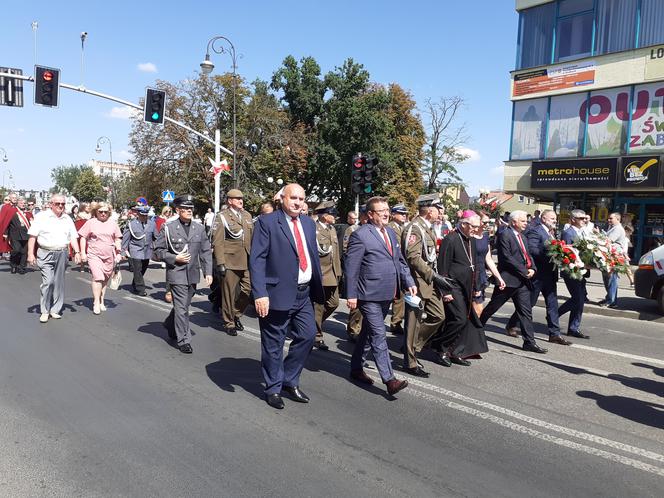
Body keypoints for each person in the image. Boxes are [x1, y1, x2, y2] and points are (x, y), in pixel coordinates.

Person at [250, 184, 324, 410]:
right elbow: (257, 259)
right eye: (293, 198)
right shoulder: (267, 222)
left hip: (303, 293)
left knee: (308, 335)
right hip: (276, 294)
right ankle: (273, 387)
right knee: (274, 343)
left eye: (301, 199)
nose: (298, 202)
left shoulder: (309, 224)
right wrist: (260, 293)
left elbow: (310, 255)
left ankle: (289, 380)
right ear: (282, 198)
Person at [345, 196, 416, 396]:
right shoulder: (361, 235)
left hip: (388, 292)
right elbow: (351, 268)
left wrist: (409, 281)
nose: (386, 213)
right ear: (370, 214)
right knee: (378, 334)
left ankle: (356, 368)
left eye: (387, 210)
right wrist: (351, 294)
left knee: (368, 332)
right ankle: (389, 379)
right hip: (369, 294)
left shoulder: (391, 234)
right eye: (381, 211)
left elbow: (400, 261)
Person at [480, 210, 548, 354]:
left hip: (522, 282)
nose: (526, 223)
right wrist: (524, 270)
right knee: (492, 307)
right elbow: (506, 258)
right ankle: (475, 329)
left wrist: (533, 269)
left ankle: (529, 342)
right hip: (508, 280)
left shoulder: (522, 236)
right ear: (514, 222)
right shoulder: (505, 234)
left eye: (526, 221)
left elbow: (527, 255)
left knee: (525, 312)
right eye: (523, 221)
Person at [154, 195, 213, 354]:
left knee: (183, 306)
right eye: (185, 209)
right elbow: (157, 251)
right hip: (176, 273)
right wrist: (174, 258)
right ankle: (184, 340)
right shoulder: (168, 227)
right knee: (182, 309)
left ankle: (169, 323)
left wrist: (208, 272)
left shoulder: (199, 228)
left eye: (191, 208)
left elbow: (205, 251)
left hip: (193, 274)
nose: (189, 211)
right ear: (177, 210)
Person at [505, 209, 571, 346]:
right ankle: (512, 324)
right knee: (529, 303)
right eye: (552, 218)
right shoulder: (536, 231)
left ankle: (554, 334)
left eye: (555, 218)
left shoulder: (552, 233)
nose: (554, 221)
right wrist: (551, 254)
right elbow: (532, 249)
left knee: (552, 304)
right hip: (538, 275)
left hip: (550, 275)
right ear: (543, 219)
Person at [435, 211, 490, 364]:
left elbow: (474, 265)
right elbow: (443, 267)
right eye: (474, 226)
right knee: (459, 319)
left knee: (466, 320)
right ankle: (441, 348)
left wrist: (477, 286)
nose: (476, 229)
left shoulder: (471, 240)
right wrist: (445, 291)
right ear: (464, 224)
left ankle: (456, 351)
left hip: (468, 286)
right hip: (453, 287)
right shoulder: (451, 239)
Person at [401, 198, 445, 376]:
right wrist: (432, 275)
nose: (440, 212)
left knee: (438, 315)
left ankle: (413, 346)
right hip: (417, 281)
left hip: (429, 280)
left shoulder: (427, 228)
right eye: (438, 209)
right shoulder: (415, 228)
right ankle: (410, 362)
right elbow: (413, 257)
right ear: (429, 211)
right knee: (413, 323)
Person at [27, 194, 81, 323]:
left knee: (59, 283)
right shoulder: (41, 217)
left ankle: (55, 309)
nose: (61, 206)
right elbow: (32, 236)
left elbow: (73, 236)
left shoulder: (67, 218)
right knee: (48, 282)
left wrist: (77, 252)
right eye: (58, 203)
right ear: (51, 204)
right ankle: (44, 310)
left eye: (63, 203)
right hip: (45, 252)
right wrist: (30, 254)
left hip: (62, 252)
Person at [212, 189, 253, 336]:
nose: (241, 201)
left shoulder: (247, 216)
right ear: (230, 201)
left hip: (246, 260)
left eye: (241, 198)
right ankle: (229, 322)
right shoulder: (222, 217)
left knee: (247, 289)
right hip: (230, 260)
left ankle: (236, 314)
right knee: (228, 293)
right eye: (237, 199)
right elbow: (217, 242)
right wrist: (220, 263)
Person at [78, 202, 122, 315]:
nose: (103, 214)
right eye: (100, 211)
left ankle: (102, 300)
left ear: (109, 213)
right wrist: (82, 253)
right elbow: (83, 237)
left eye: (105, 212)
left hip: (109, 255)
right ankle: (96, 302)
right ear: (96, 212)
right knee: (98, 277)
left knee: (105, 279)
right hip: (94, 254)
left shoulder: (113, 223)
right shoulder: (91, 223)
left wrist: (118, 253)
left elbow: (117, 238)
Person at [313, 200, 341, 351]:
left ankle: (311, 324)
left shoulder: (332, 229)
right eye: (332, 214)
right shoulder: (314, 229)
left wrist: (339, 272)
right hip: (321, 274)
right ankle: (317, 335)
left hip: (332, 273)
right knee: (318, 306)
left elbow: (335, 254)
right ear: (324, 216)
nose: (335, 216)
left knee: (333, 303)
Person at [558, 210, 591, 339]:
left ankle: (573, 328)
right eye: (581, 218)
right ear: (573, 219)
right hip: (571, 270)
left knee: (581, 299)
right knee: (577, 298)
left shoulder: (582, 232)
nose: (584, 220)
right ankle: (554, 315)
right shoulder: (567, 233)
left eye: (585, 218)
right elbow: (566, 252)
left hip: (582, 270)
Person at [471, 212, 505, 318]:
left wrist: (498, 277)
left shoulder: (485, 237)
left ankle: (471, 332)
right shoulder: (469, 237)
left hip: (480, 275)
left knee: (478, 310)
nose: (487, 224)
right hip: (470, 275)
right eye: (484, 222)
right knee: (473, 309)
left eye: (488, 222)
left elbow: (488, 259)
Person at [122, 205, 157, 296]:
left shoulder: (152, 224)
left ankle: (135, 283)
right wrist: (123, 251)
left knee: (143, 269)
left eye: (146, 215)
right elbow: (126, 238)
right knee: (137, 269)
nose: (144, 217)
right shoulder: (131, 224)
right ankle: (140, 289)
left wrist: (158, 249)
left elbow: (156, 237)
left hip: (147, 250)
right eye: (142, 215)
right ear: (138, 214)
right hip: (135, 249)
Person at [342, 207, 367, 342]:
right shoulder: (352, 230)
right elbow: (346, 249)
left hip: (368, 271)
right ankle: (353, 329)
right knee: (356, 304)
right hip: (357, 269)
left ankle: (361, 329)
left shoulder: (372, 230)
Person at [388, 203, 409, 336]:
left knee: (399, 296)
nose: (404, 216)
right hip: (391, 265)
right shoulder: (390, 227)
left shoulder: (402, 228)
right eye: (401, 213)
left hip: (399, 265)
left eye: (405, 214)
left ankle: (396, 322)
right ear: (393, 214)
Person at [600, 212, 628, 308]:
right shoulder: (613, 228)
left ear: (618, 219)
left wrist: (598, 236)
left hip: (613, 257)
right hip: (610, 256)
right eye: (608, 218)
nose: (609, 220)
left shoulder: (617, 229)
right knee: (608, 279)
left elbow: (607, 241)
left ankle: (612, 301)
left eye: (611, 218)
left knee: (611, 279)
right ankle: (609, 298)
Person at [6, 197, 33, 274]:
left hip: (26, 234)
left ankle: (21, 267)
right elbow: (7, 222)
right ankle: (13, 265)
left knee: (24, 252)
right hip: (14, 234)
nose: (23, 204)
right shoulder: (12, 211)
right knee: (16, 250)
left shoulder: (28, 213)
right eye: (21, 203)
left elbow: (33, 224)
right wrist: (5, 233)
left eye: (24, 203)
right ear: (17, 203)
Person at [0, 192, 17, 258]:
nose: (14, 199)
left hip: (15, 230)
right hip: (8, 229)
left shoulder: (17, 207)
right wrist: (4, 231)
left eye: (15, 197)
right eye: (13, 197)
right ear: (10, 198)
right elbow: (2, 220)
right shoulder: (5, 207)